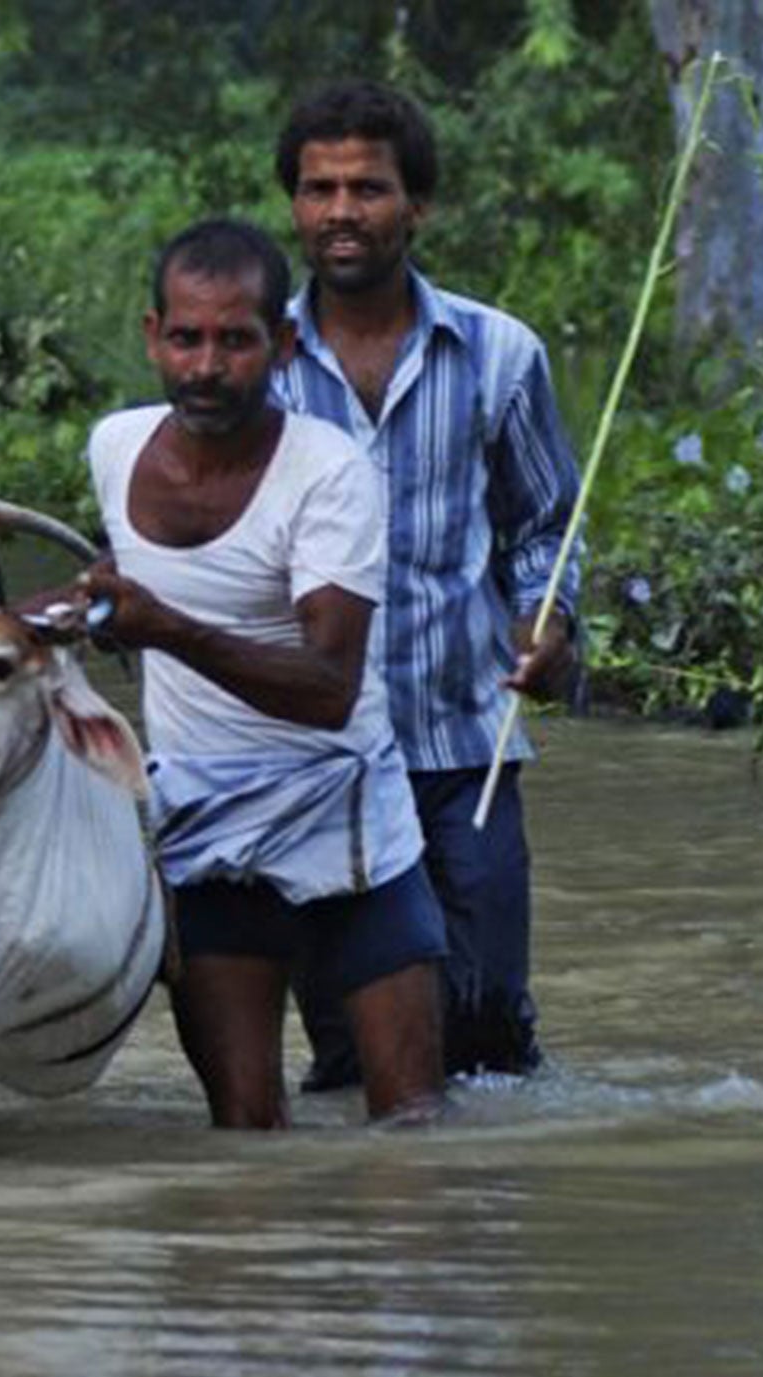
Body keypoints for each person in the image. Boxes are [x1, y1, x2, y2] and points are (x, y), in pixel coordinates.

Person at [70, 217, 446, 1129]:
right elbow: (126, 608)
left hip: (344, 805)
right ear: (152, 335)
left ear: (281, 345)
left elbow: (328, 689)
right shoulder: (115, 446)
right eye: (187, 338)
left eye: (235, 341)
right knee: (243, 1138)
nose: (206, 367)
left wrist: (162, 626)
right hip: (201, 814)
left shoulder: (330, 471)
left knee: (413, 1138)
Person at [272, 81, 581, 1088]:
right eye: (318, 189)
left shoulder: (499, 355)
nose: (340, 211)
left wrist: (548, 621)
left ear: (416, 207)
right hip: (313, 764)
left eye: (367, 187)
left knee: (490, 1046)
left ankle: (473, 1233)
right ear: (293, 207)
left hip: (465, 752)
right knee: (350, 1061)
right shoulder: (252, 365)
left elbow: (543, 526)